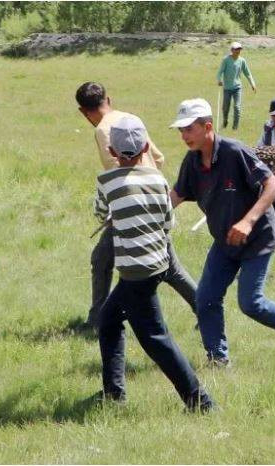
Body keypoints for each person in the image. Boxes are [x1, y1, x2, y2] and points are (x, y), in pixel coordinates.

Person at [168, 98, 275, 366]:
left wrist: (248, 221)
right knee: (205, 299)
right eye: (180, 130)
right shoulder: (192, 162)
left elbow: (273, 185)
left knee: (250, 302)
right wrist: (148, 214)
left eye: (189, 129)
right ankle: (217, 359)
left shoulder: (233, 151)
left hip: (257, 237)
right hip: (225, 240)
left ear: (208, 126)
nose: (184, 136)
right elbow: (177, 195)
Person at [94, 115, 214, 412]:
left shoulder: (107, 181)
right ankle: (113, 393)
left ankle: (201, 402)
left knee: (155, 339)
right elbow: (168, 221)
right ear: (146, 146)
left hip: (135, 273)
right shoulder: (158, 179)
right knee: (108, 321)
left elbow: (100, 213)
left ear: (112, 151)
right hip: (157, 264)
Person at [75, 81, 197, 331]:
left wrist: (123, 201)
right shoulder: (131, 119)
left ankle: (97, 320)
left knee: (103, 260)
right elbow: (159, 158)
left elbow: (117, 172)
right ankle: (205, 307)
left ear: (82, 111)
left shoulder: (102, 130)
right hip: (153, 195)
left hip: (130, 203)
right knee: (167, 266)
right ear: (109, 100)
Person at [216, 42, 256, 130]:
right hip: (227, 88)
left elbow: (247, 73)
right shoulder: (226, 60)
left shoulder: (242, 61)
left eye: (239, 49)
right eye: (236, 49)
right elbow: (220, 72)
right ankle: (225, 121)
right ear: (232, 50)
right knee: (225, 107)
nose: (238, 51)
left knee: (237, 107)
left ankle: (235, 127)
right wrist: (219, 80)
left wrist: (252, 83)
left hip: (237, 88)